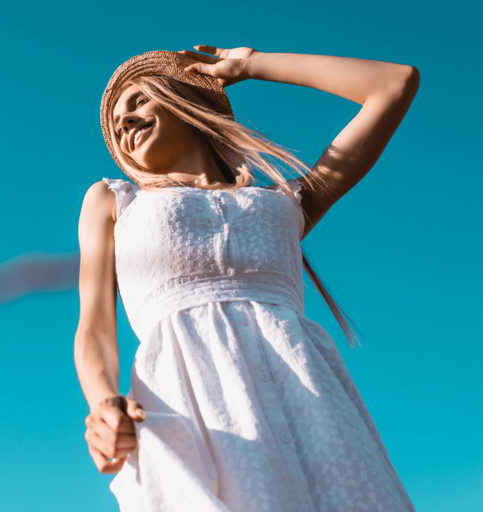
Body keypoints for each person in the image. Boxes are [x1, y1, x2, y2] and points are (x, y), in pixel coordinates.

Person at [74, 46, 420, 511]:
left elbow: (394, 84)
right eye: (117, 122)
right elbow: (94, 326)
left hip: (314, 411)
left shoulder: (284, 203)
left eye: (137, 101)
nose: (124, 123)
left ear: (182, 99)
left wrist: (250, 64)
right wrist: (102, 401)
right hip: (185, 409)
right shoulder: (114, 202)